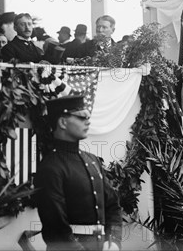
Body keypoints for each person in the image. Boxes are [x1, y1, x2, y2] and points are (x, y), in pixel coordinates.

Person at [35, 95, 122, 251]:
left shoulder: (93, 161)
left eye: (88, 116)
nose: (87, 121)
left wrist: (114, 242)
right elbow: (56, 230)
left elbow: (113, 207)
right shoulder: (50, 168)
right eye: (82, 117)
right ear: (62, 122)